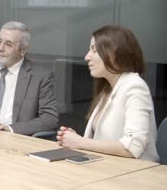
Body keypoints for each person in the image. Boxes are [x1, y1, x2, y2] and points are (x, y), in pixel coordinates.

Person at [56, 25, 159, 162]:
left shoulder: (135, 86)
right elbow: (104, 141)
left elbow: (133, 146)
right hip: (107, 167)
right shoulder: (107, 89)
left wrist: (81, 142)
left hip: (134, 174)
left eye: (94, 50)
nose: (87, 57)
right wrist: (75, 139)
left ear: (116, 53)